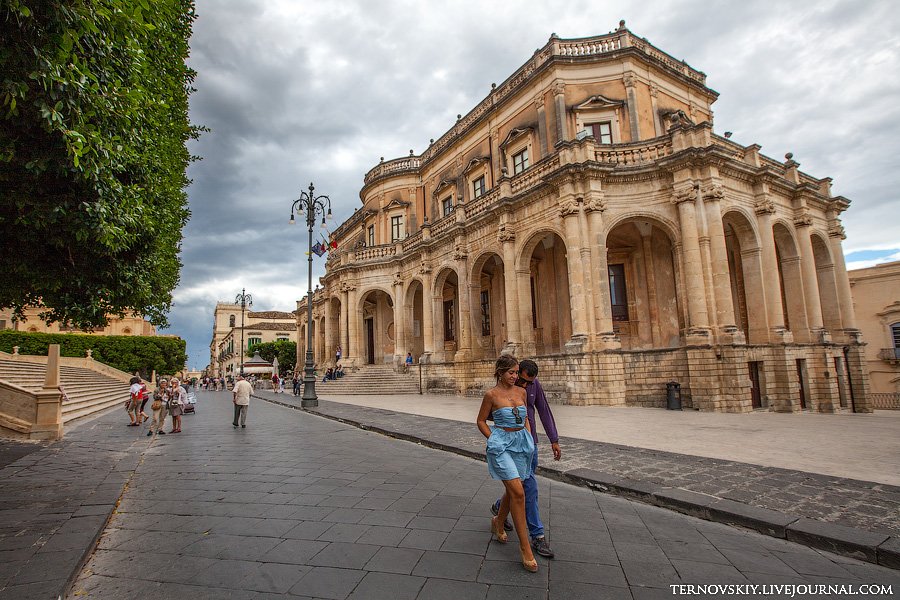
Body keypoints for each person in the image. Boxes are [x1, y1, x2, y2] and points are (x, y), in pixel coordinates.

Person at [490, 358, 561, 559]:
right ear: (514, 372)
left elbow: (543, 410)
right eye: (522, 380)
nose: (526, 385)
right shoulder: (501, 390)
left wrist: (554, 439)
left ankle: (499, 507)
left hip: (529, 443)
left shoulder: (531, 385)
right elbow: (489, 416)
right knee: (529, 487)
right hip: (508, 446)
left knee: (519, 485)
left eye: (530, 383)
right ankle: (537, 536)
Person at [476, 355, 537, 573]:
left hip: (521, 445)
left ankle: (498, 522)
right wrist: (492, 439)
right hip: (501, 446)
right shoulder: (491, 395)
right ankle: (525, 547)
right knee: (518, 493)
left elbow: (526, 417)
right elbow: (481, 420)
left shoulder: (521, 392)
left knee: (513, 490)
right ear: (500, 372)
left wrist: (528, 436)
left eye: (516, 372)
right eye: (511, 372)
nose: (515, 376)